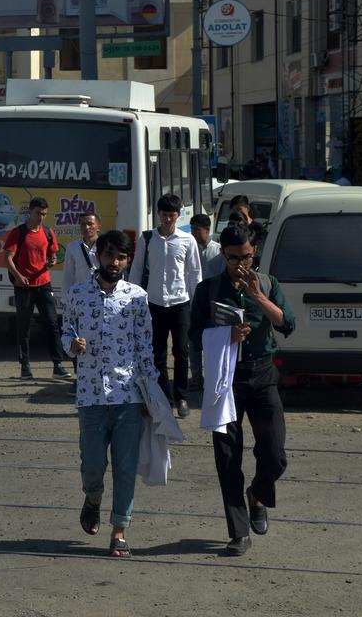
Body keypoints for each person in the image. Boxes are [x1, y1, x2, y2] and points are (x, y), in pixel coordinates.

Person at [189, 223, 295, 557]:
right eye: (233, 258)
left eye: (246, 257)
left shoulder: (268, 283)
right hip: (226, 380)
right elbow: (193, 336)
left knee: (275, 453)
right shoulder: (207, 290)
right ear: (223, 255)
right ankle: (238, 532)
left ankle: (258, 495)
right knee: (227, 459)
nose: (240, 265)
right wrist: (224, 336)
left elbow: (287, 324)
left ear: (254, 253)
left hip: (263, 376)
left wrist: (258, 298)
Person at [63, 230, 159, 558]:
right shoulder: (76, 295)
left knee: (125, 466)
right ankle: (93, 498)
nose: (114, 262)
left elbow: (146, 348)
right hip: (90, 396)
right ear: (98, 256)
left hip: (128, 396)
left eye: (121, 257)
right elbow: (65, 331)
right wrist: (71, 346)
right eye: (109, 256)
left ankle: (119, 530)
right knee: (92, 465)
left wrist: (152, 396)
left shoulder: (137, 297)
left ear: (127, 260)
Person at [128, 194, 202, 418]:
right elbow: (137, 269)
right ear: (158, 215)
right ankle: (164, 397)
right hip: (154, 303)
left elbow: (194, 273)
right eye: (164, 215)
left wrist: (195, 302)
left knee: (181, 351)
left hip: (180, 303)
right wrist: (131, 299)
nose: (168, 219)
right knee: (157, 353)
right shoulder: (147, 239)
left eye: (172, 215)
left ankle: (181, 397)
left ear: (178, 215)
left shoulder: (187, 240)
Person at [3, 197, 70, 379]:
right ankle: (25, 366)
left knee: (52, 324)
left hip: (43, 284)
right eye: (38, 213)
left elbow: (53, 254)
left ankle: (58, 365)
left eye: (44, 214)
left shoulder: (48, 232)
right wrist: (18, 276)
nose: (41, 217)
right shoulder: (19, 233)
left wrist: (52, 261)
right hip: (24, 286)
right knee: (24, 327)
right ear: (30, 212)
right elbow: (8, 258)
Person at [189, 214, 222, 390]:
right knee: (194, 341)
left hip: (213, 304)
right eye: (192, 229)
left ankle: (212, 375)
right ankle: (196, 377)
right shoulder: (189, 248)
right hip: (194, 303)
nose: (194, 233)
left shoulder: (218, 252)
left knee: (211, 342)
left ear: (207, 230)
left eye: (197, 230)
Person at [63, 213, 100, 287]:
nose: (86, 227)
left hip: (101, 292)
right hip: (80, 294)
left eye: (90, 224)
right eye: (83, 224)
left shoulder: (105, 246)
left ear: (98, 227)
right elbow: (68, 275)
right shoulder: (72, 246)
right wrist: (66, 297)